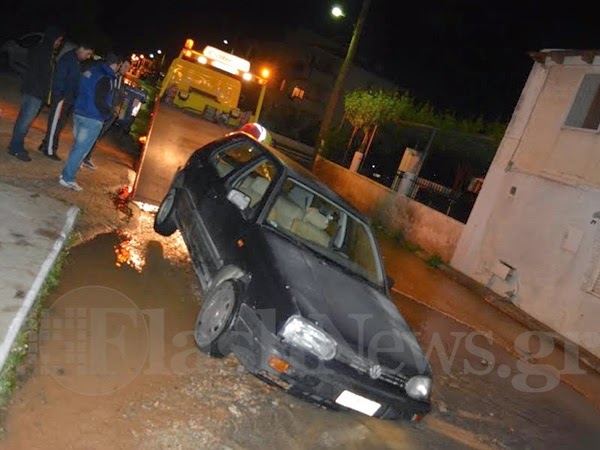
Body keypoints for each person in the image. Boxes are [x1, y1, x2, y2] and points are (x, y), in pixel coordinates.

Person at [59, 53, 121, 191]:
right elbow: (99, 100)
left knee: (77, 148)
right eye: (119, 66)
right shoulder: (105, 78)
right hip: (92, 118)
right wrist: (108, 112)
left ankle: (67, 173)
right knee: (81, 150)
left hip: (79, 112)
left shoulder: (92, 71)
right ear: (115, 65)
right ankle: (68, 178)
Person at [6, 25, 64, 162]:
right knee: (24, 121)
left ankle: (15, 145)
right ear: (52, 38)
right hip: (34, 92)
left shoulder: (44, 50)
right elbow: (41, 74)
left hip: (34, 91)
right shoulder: (43, 52)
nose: (59, 43)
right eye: (58, 40)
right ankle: (15, 148)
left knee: (24, 120)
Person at [38, 42, 95, 161]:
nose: (88, 57)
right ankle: (49, 149)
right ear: (81, 48)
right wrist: (60, 96)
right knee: (55, 124)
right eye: (88, 53)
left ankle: (46, 144)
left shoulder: (76, 60)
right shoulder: (68, 59)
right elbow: (59, 78)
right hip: (62, 98)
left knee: (59, 124)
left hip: (67, 98)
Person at [82, 57, 131, 170]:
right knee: (94, 134)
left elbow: (119, 95)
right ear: (119, 65)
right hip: (106, 110)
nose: (126, 69)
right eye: (124, 66)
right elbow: (108, 94)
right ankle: (83, 156)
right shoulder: (112, 77)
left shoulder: (120, 79)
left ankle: (87, 156)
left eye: (128, 68)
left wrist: (118, 108)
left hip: (112, 112)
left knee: (99, 135)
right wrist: (110, 108)